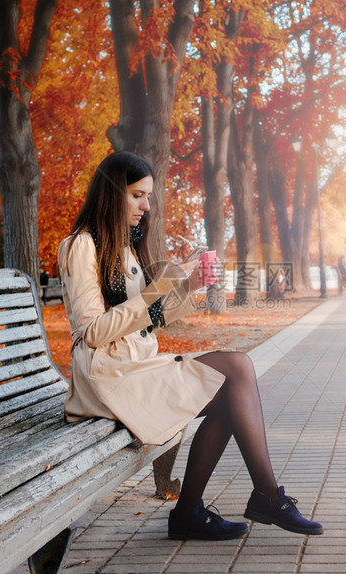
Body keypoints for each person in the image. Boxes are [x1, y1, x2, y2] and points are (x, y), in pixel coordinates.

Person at [57, 152, 323, 541]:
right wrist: (163, 283)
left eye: (148, 197)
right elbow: (93, 331)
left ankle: (197, 512)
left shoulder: (126, 245)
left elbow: (146, 317)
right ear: (112, 194)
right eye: (137, 195)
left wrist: (190, 284)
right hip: (108, 379)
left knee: (234, 385)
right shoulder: (81, 245)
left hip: (134, 369)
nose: (146, 206)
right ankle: (261, 497)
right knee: (236, 371)